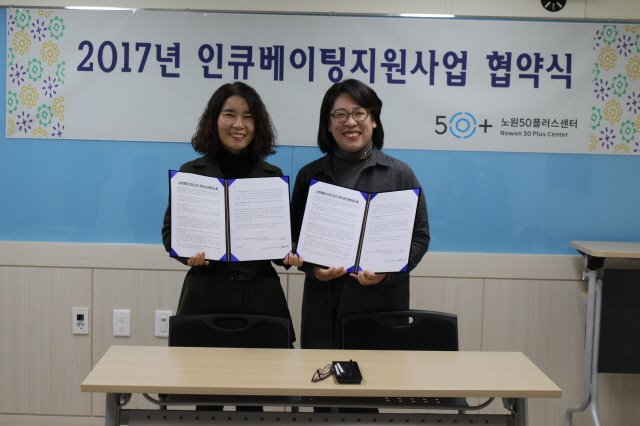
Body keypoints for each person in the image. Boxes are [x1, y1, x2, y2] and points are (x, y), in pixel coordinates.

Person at [290, 79, 430, 349]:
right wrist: (313, 270)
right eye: (340, 115)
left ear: (374, 120)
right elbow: (293, 238)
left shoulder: (400, 174)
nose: (350, 122)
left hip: (382, 305)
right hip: (324, 306)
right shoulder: (310, 176)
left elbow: (420, 237)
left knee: (380, 375)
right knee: (321, 373)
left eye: (359, 113)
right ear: (328, 124)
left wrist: (386, 274)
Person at [161, 81, 300, 346]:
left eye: (248, 117)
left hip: (262, 297)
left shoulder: (272, 176)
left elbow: (281, 243)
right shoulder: (190, 173)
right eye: (230, 114)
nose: (239, 124)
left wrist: (289, 252)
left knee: (269, 370)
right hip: (204, 295)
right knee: (197, 369)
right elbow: (170, 234)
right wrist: (187, 254)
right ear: (214, 120)